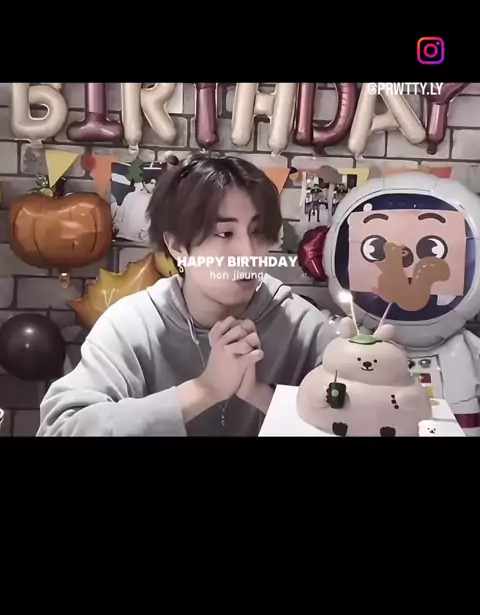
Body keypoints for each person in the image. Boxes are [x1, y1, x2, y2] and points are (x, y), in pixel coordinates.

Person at [38, 155, 337, 437]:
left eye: (257, 231)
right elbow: (60, 430)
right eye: (225, 233)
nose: (247, 253)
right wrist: (204, 390)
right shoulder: (131, 326)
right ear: (178, 246)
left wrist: (263, 395)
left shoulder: (303, 327)